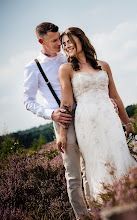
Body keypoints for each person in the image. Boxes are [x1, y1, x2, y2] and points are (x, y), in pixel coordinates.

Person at [56, 27, 137, 201]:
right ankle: (108, 204)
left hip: (110, 118)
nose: (66, 46)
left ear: (81, 39)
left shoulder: (104, 65)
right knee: (98, 162)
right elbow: (67, 102)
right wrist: (63, 134)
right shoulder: (66, 69)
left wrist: (127, 123)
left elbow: (114, 96)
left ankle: (132, 198)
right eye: (64, 44)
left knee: (119, 156)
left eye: (69, 41)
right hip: (87, 122)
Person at [23, 22, 91, 219]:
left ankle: (97, 209)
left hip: (86, 115)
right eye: (54, 40)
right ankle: (83, 217)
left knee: (90, 166)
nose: (60, 43)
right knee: (73, 174)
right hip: (62, 120)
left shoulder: (68, 57)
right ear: (41, 41)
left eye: (59, 38)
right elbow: (27, 101)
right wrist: (50, 114)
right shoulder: (33, 67)